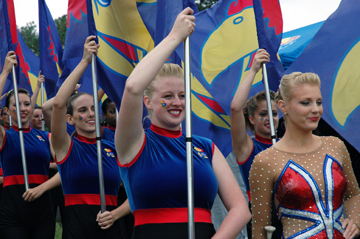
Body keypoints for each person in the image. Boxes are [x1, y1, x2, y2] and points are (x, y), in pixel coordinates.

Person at [115, 8, 250, 239]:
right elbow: (132, 87)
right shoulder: (134, 143)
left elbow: (240, 210)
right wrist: (174, 37)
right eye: (167, 96)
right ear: (148, 101)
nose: (177, 102)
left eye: (182, 95)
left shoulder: (206, 147)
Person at [249, 72, 360, 239]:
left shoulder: (335, 146)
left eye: (319, 102)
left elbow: (353, 194)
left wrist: (354, 220)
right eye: (305, 103)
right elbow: (260, 228)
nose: (315, 109)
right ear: (283, 106)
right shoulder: (265, 161)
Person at [50, 36, 130, 239]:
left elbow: (138, 189)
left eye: (94, 108)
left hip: (112, 231)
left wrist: (115, 214)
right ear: (70, 119)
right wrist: (85, 60)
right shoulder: (65, 147)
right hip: (77, 232)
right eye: (83, 110)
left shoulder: (114, 149)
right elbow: (59, 103)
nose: (90, 114)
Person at [0, 51, 56, 238]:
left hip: (43, 207)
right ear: (7, 110)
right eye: (17, 105)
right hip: (12, 207)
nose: (23, 109)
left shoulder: (46, 136)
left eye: (27, 104)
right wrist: (5, 72)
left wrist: (42, 188)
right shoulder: (5, 136)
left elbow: (66, 167)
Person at [230, 49, 281, 238]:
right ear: (251, 119)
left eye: (274, 113)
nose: (270, 118)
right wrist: (253, 70)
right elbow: (235, 108)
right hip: (262, 217)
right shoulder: (247, 148)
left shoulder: (289, 145)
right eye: (263, 114)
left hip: (293, 216)